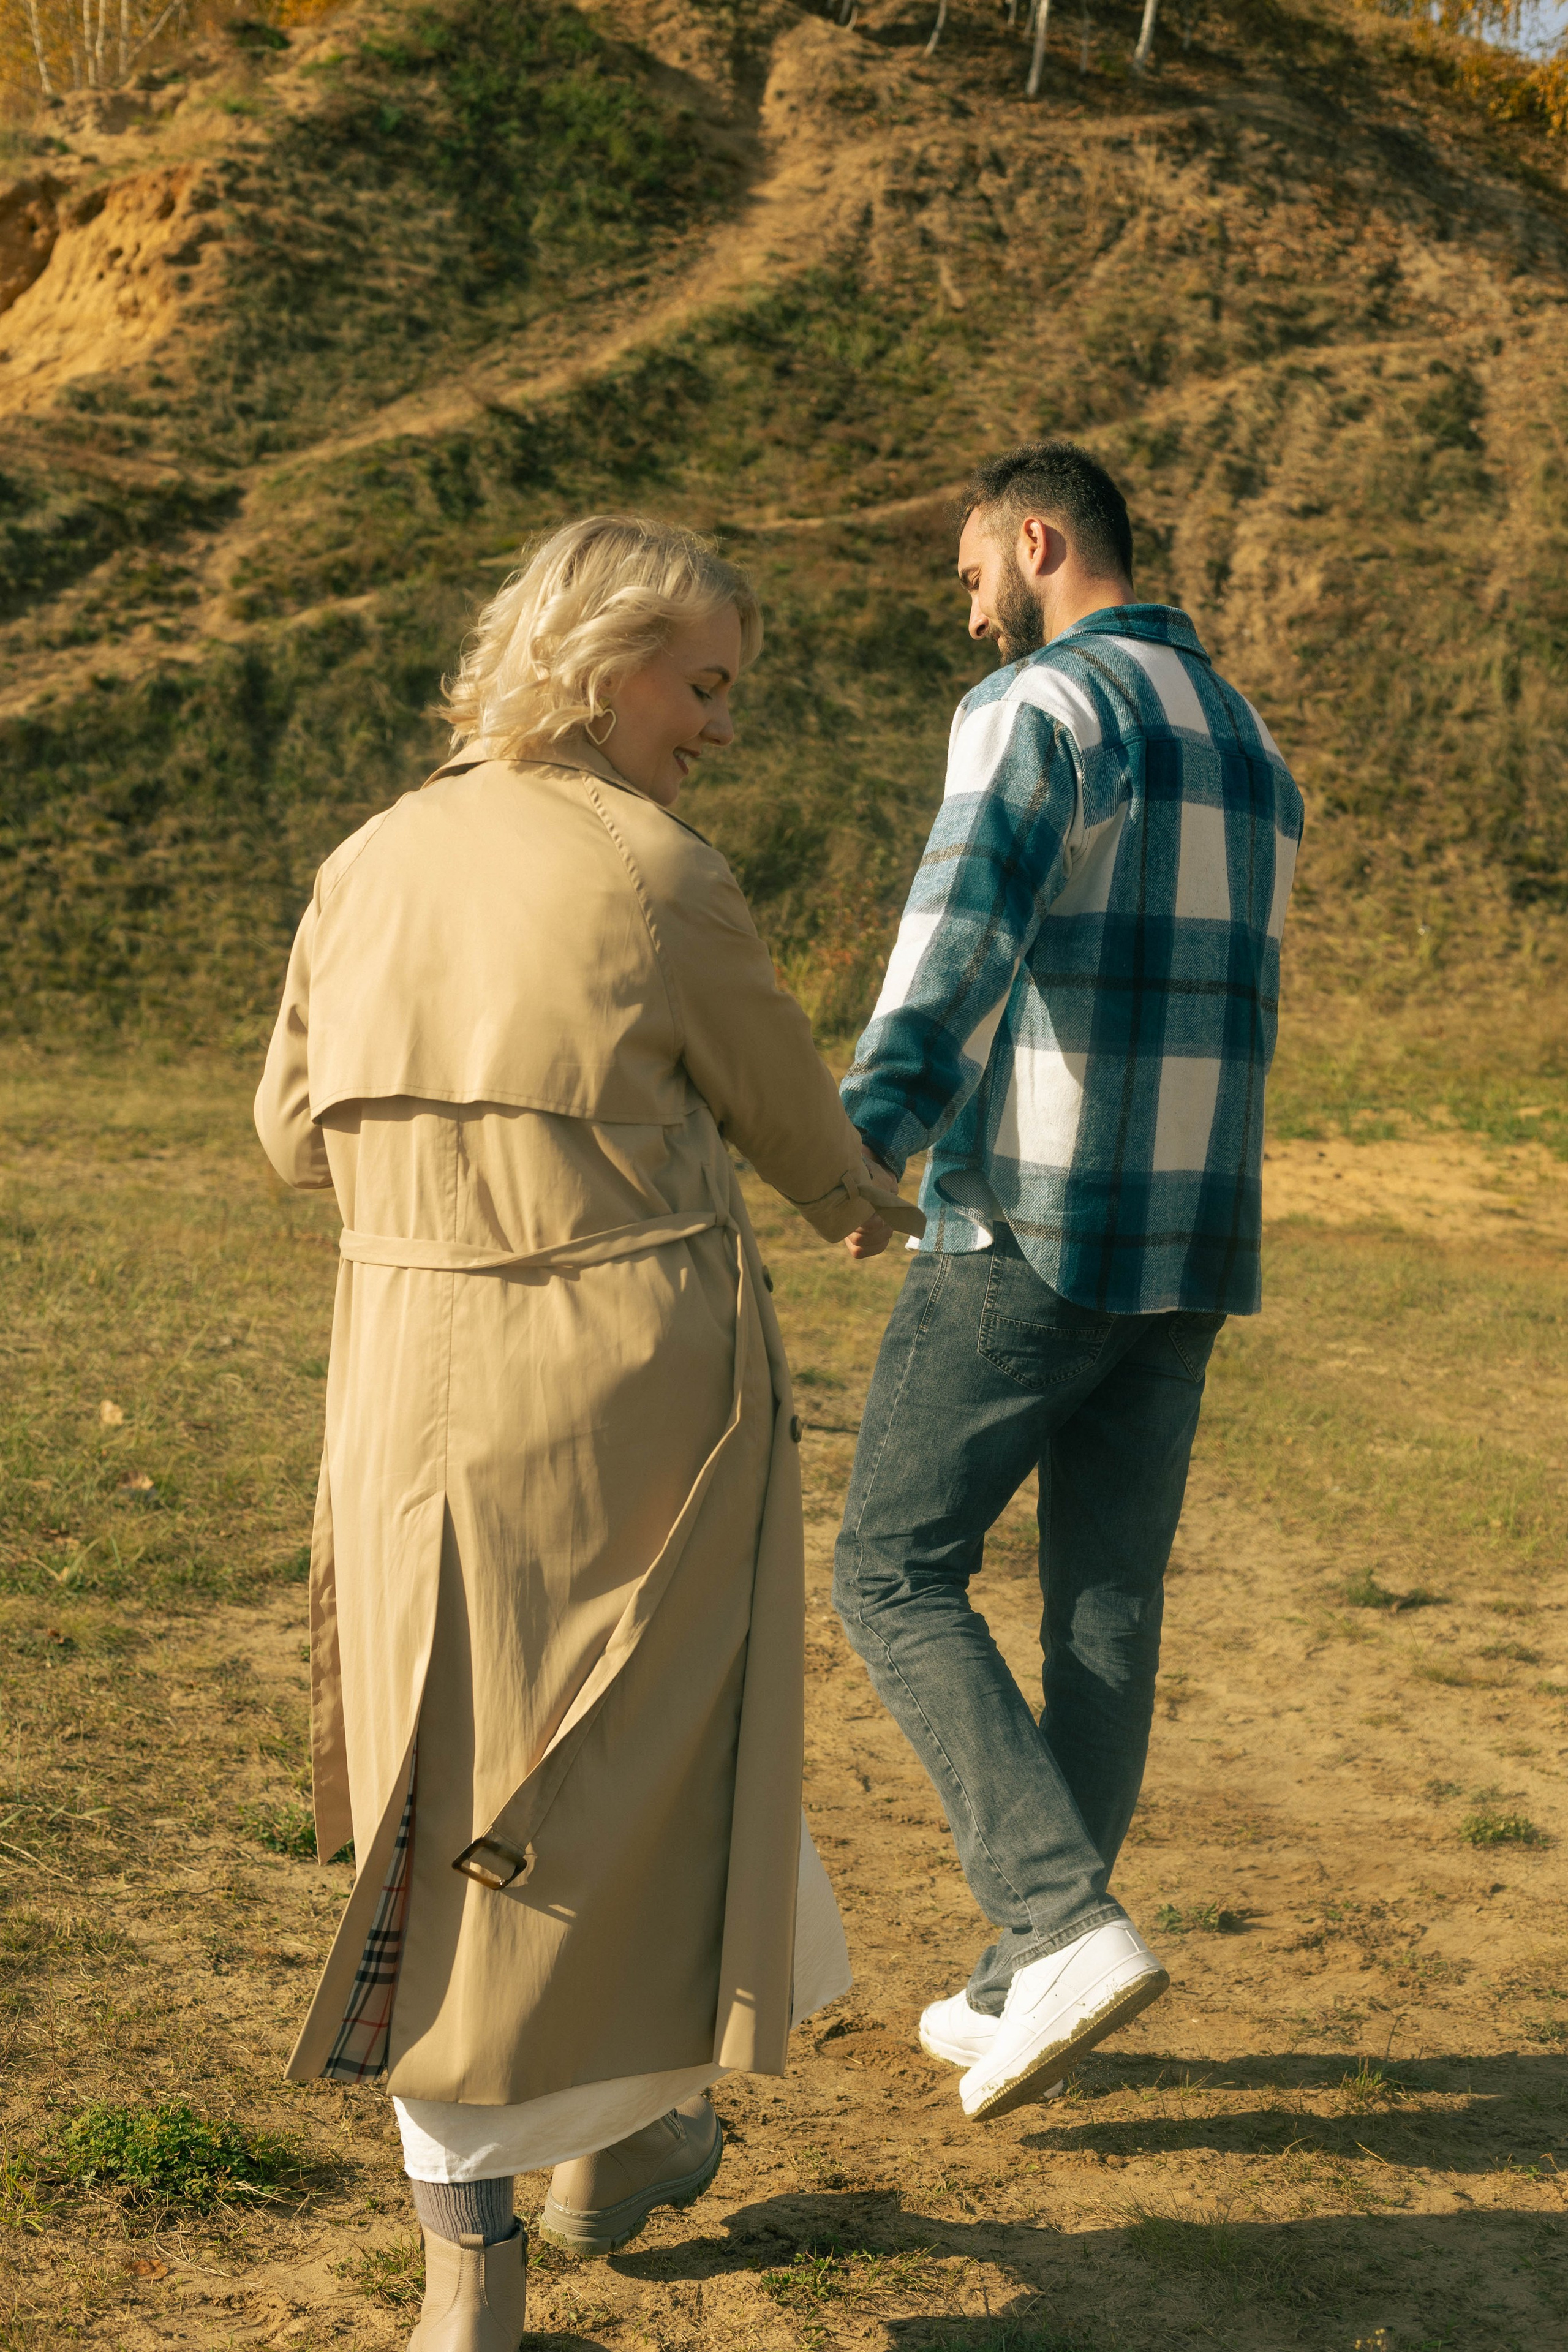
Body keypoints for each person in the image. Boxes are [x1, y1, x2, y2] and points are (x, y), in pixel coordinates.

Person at [254, 514, 922, 2352]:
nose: (716, 726)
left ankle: (589, 2172)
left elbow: (287, 1130)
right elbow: (804, 1128)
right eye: (702, 685)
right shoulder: (656, 873)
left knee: (446, 1783)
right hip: (633, 1386)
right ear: (607, 654)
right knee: (625, 1768)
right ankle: (531, 2222)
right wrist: (873, 1202)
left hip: (400, 1376)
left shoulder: (364, 860)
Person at [832, 441, 1302, 2124]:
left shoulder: (1044, 708)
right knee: (1105, 1607)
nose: (972, 609)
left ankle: (1057, 1920)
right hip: (1194, 1241)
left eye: (974, 573)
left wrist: (869, 1129)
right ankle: (1019, 1974)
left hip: (1037, 1215)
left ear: (1040, 542)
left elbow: (961, 933)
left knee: (890, 1572)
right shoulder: (1246, 737)